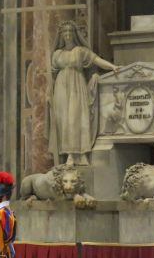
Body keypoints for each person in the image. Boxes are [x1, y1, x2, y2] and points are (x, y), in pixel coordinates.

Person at [47, 20, 118, 166]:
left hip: (76, 86)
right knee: (64, 120)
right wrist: (49, 91)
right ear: (61, 35)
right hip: (61, 88)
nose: (67, 35)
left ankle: (80, 153)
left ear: (74, 34)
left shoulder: (80, 51)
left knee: (76, 118)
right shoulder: (57, 54)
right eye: (64, 32)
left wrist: (113, 67)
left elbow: (97, 60)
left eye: (70, 32)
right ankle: (69, 154)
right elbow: (50, 75)